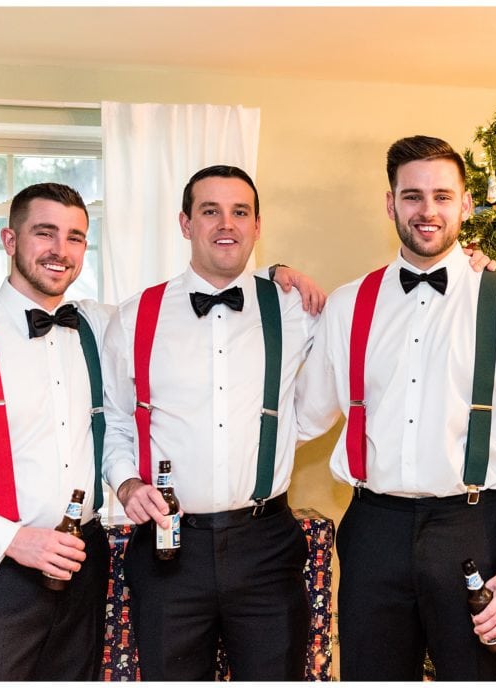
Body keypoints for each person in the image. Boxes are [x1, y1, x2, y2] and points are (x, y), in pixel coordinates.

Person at [295, 135, 496, 681]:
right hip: (373, 528)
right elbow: (302, 416)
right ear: (390, 203)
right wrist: (268, 284)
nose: (428, 211)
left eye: (443, 196)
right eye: (412, 195)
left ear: (466, 204)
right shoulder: (349, 304)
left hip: (473, 527)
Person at [100, 164, 328, 681]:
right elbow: (114, 420)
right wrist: (127, 481)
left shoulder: (296, 308)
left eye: (240, 212)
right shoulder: (136, 315)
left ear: (257, 225)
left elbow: (362, 352)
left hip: (266, 544)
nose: (226, 223)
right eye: (210, 211)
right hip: (167, 548)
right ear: (185, 224)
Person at [0, 182, 112, 680]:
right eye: (45, 233)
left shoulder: (98, 327)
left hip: (84, 566)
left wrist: (272, 277)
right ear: (10, 241)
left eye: (75, 237)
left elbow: (179, 311)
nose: (61, 250)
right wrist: (11, 539)